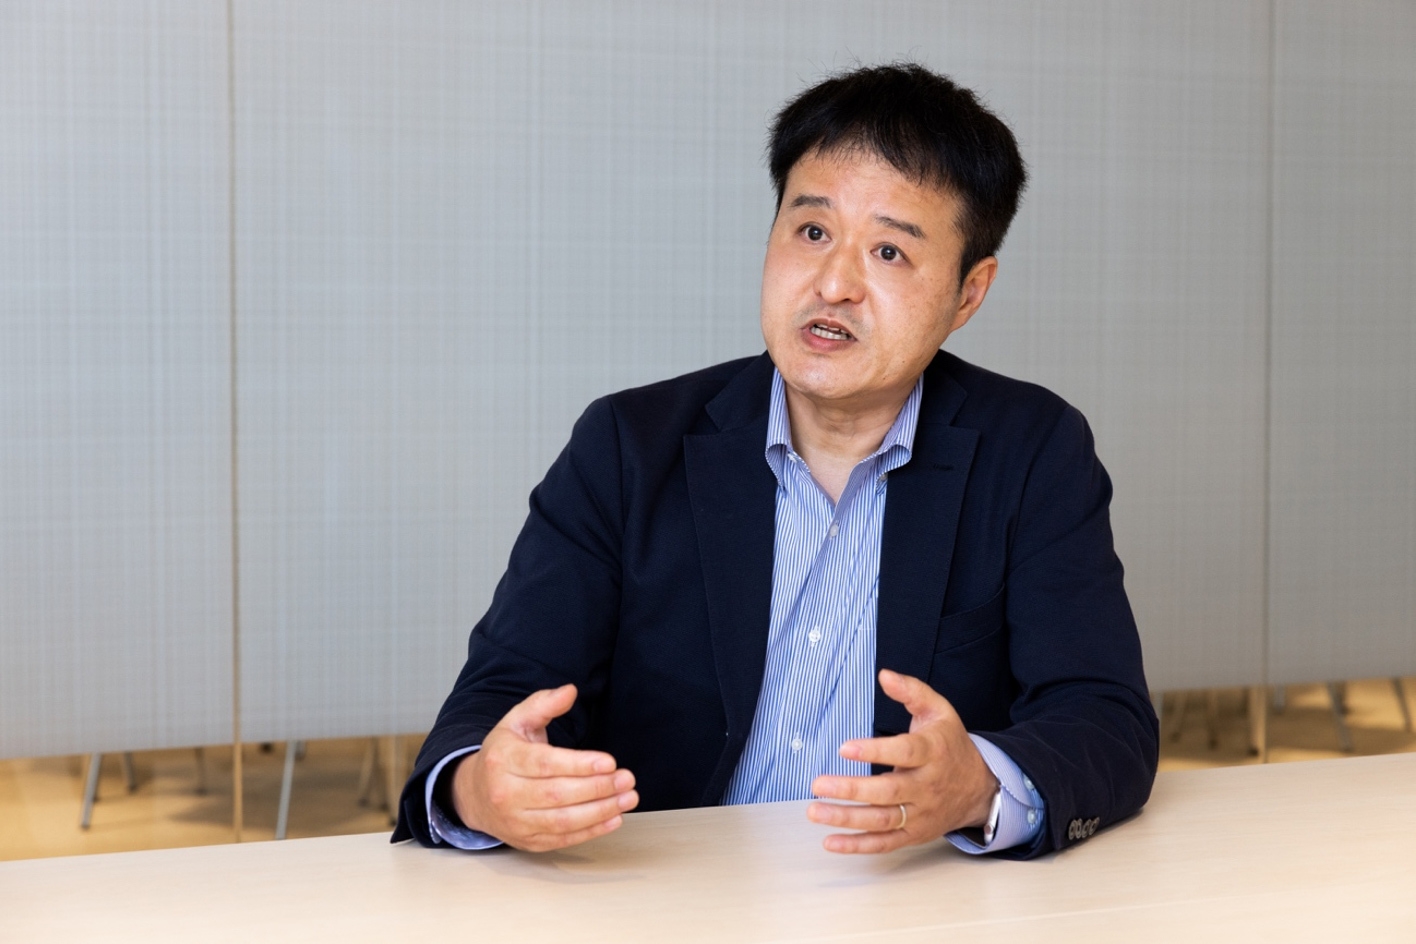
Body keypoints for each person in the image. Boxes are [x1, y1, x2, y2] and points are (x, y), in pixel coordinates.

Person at [393, 63, 1157, 859]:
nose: (834, 284)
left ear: (969, 292)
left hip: (914, 892)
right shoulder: (628, 447)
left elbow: (1105, 721)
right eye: (812, 232)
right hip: (667, 890)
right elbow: (499, 703)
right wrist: (479, 788)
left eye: (889, 251)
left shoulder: (1032, 451)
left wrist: (977, 786)